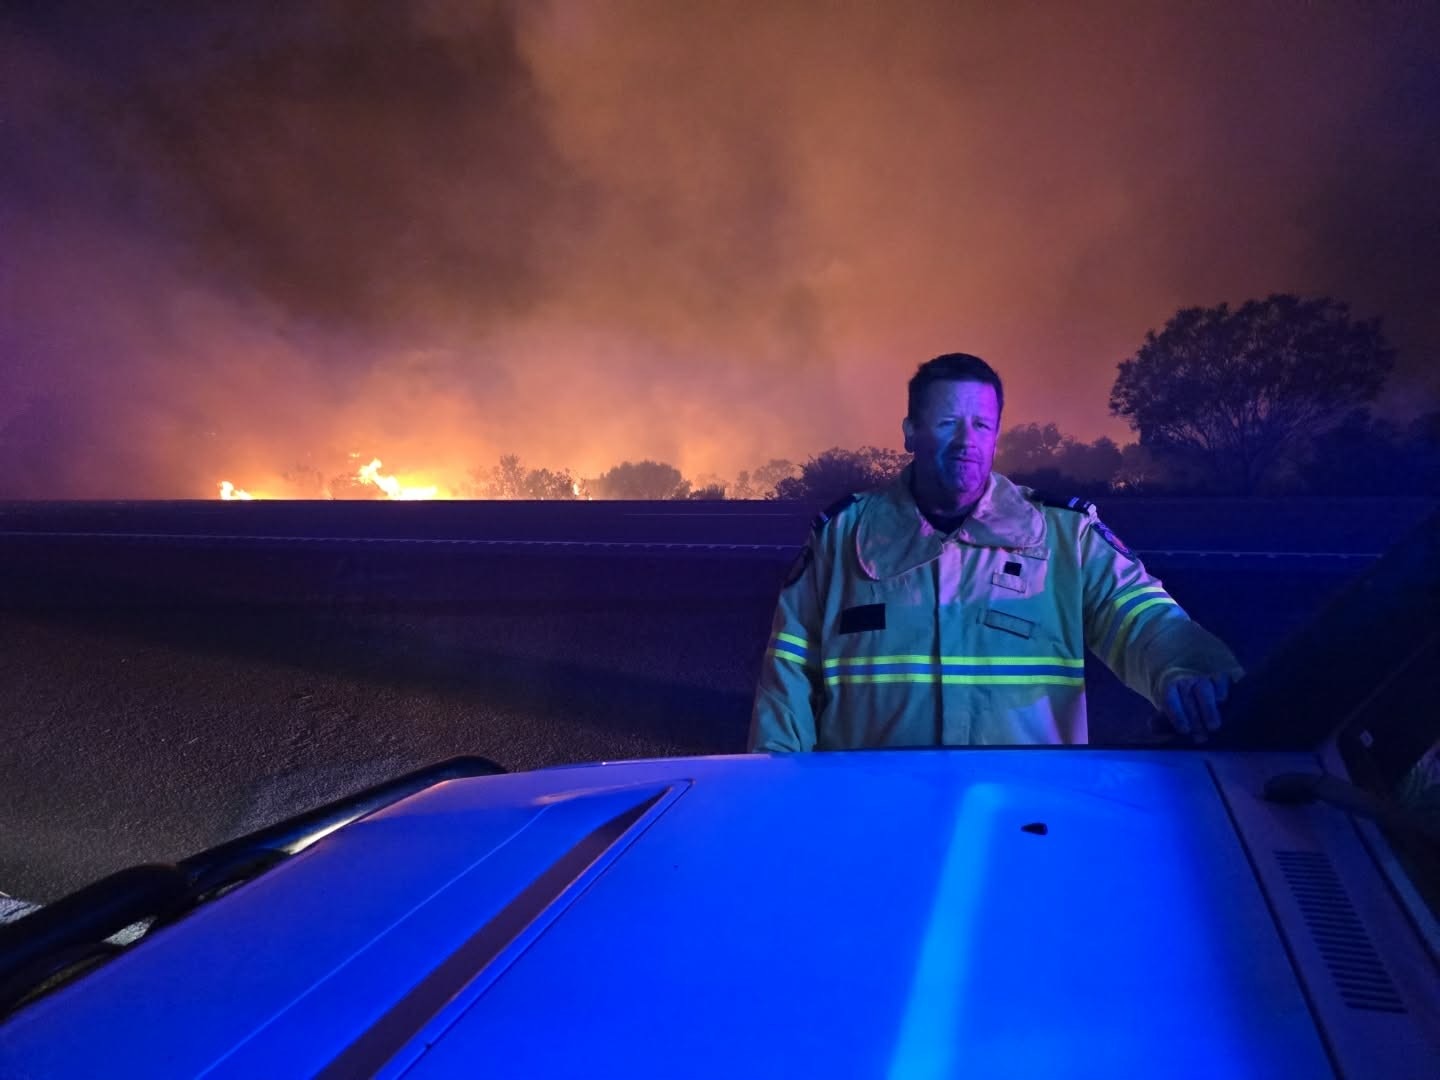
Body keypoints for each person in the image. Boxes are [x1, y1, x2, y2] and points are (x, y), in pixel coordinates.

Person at [749, 352, 1242, 752]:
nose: (966, 442)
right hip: (871, 814)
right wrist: (773, 791)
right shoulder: (842, 537)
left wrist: (1188, 669)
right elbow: (788, 677)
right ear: (909, 434)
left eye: (982, 426)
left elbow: (1142, 617)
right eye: (947, 423)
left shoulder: (1065, 537)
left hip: (1025, 817)